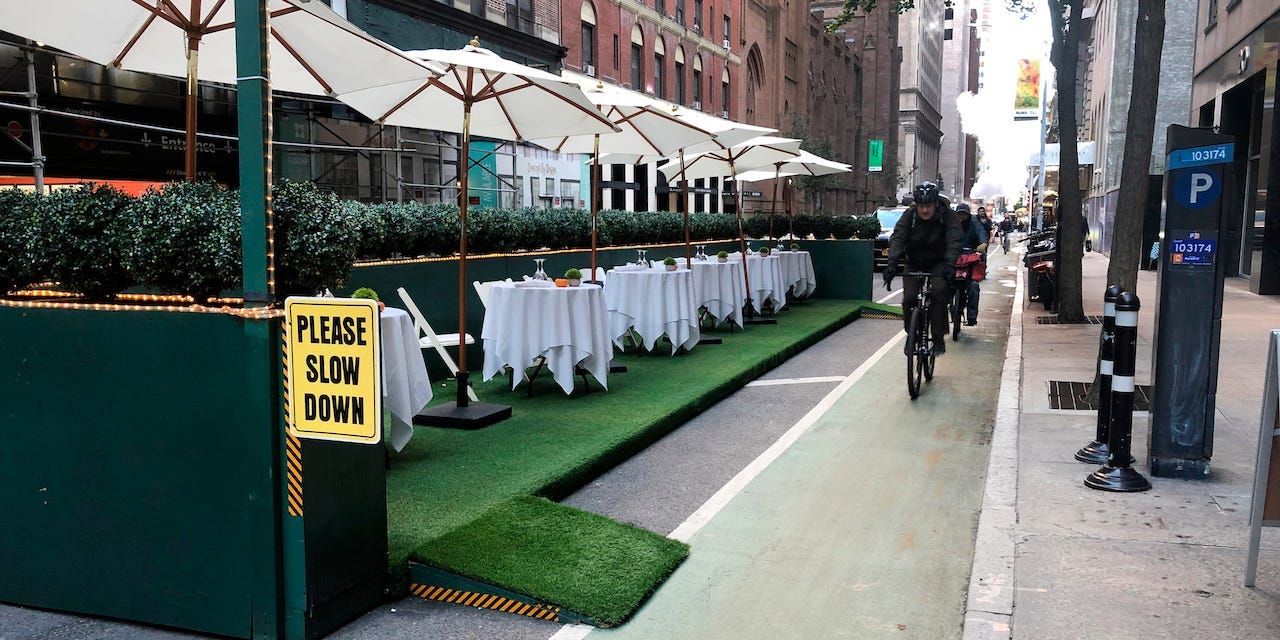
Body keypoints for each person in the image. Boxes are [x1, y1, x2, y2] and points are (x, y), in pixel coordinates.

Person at [883, 182, 962, 355]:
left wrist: (950, 264)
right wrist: (892, 264)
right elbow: (898, 238)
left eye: (928, 206)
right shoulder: (909, 216)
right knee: (909, 298)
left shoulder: (947, 216)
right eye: (921, 206)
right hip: (915, 260)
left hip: (939, 261)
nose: (925, 210)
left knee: (939, 293)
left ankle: (939, 337)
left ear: (935, 204)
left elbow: (953, 240)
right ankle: (912, 334)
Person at [955, 204, 989, 327]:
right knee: (941, 287)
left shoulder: (974, 223)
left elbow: (981, 232)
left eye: (964, 214)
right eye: (959, 214)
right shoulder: (952, 224)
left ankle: (971, 317)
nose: (961, 217)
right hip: (953, 260)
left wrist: (983, 243)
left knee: (973, 286)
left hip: (969, 260)